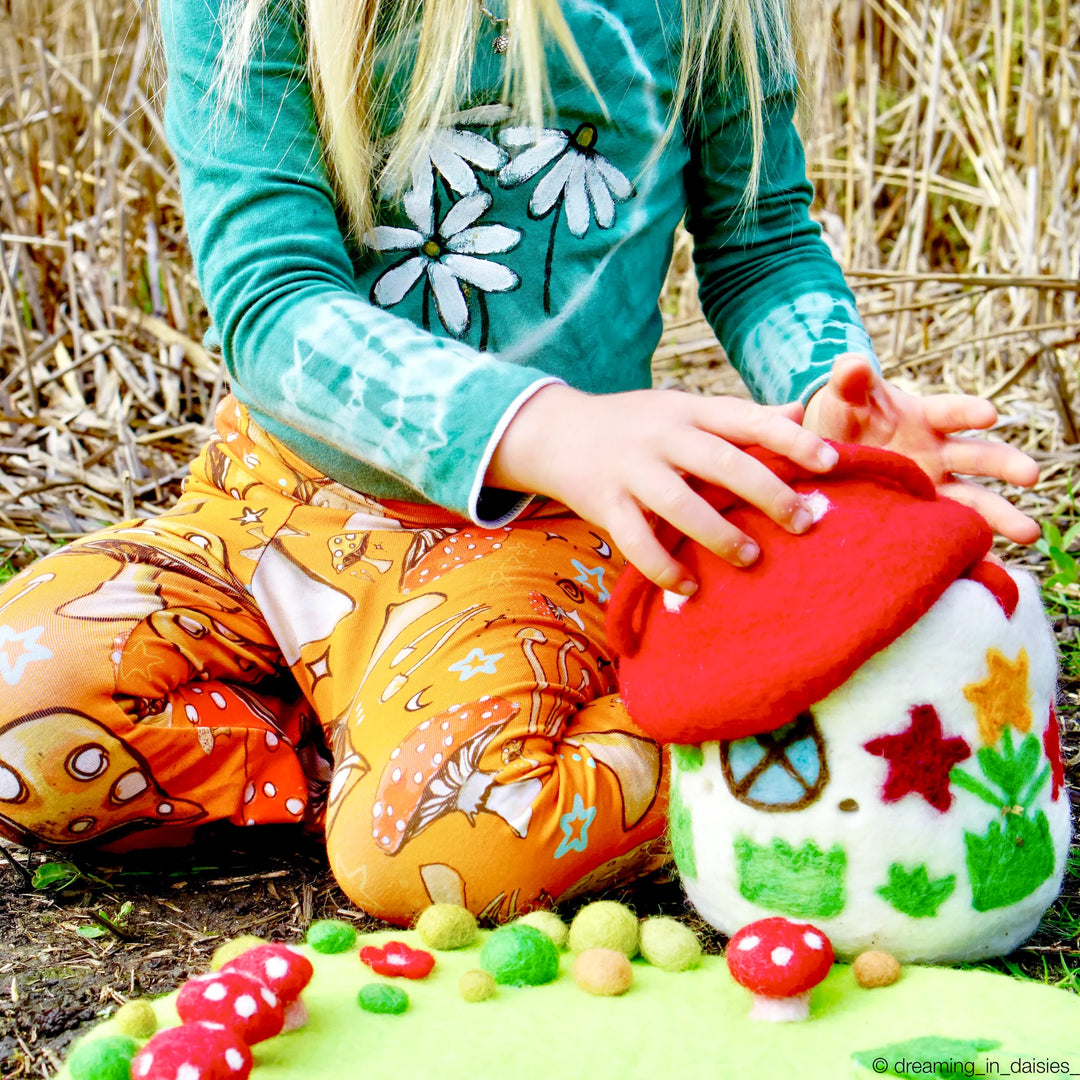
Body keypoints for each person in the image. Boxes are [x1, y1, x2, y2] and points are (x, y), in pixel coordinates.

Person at [0, 0, 1039, 923]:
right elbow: (273, 302)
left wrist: (830, 392)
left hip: (531, 536)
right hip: (267, 510)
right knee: (25, 717)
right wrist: (551, 421)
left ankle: (701, 699)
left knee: (441, 854)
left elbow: (760, 242)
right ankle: (379, 747)